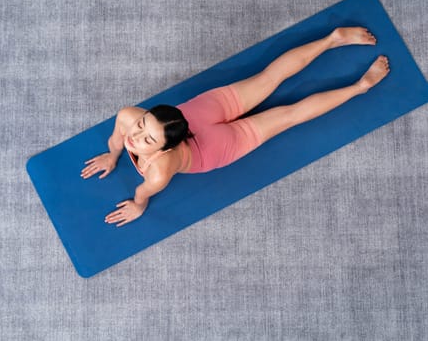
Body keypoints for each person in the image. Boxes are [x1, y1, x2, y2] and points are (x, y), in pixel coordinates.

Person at [81, 27, 390, 227]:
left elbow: (141, 194)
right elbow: (118, 139)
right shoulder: (127, 117)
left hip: (219, 143)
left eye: (147, 137)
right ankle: (351, 73)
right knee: (277, 96)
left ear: (166, 148)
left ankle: (341, 53)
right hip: (201, 112)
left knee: (286, 106)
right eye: (140, 126)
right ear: (143, 114)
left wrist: (138, 206)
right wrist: (112, 155)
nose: (135, 136)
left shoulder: (159, 170)